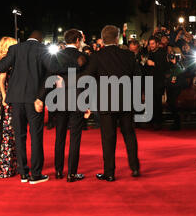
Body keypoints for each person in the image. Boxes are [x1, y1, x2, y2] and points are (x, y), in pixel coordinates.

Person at [0, 31, 60, 185]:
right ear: (40, 38)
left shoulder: (16, 48)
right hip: (34, 99)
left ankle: (23, 173)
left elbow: (2, 66)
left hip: (16, 99)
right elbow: (52, 72)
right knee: (36, 137)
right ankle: (35, 175)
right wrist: (40, 97)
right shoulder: (43, 49)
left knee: (20, 137)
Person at [80, 25, 141, 182]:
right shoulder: (128, 55)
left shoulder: (97, 57)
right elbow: (138, 76)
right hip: (126, 100)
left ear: (103, 39)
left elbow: (86, 78)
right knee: (129, 134)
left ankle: (110, 172)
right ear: (117, 38)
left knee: (108, 137)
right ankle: (134, 168)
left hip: (106, 102)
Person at [46, 29, 87, 183]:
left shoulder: (57, 56)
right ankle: (71, 173)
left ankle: (58, 171)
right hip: (77, 98)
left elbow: (50, 74)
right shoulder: (84, 57)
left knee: (60, 136)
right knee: (75, 137)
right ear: (77, 40)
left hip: (60, 98)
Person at [0, 37, 18, 179]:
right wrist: (4, 97)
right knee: (8, 133)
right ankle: (6, 166)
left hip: (11, 99)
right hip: (8, 102)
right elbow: (2, 80)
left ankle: (12, 164)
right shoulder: (5, 61)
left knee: (11, 133)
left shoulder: (8, 60)